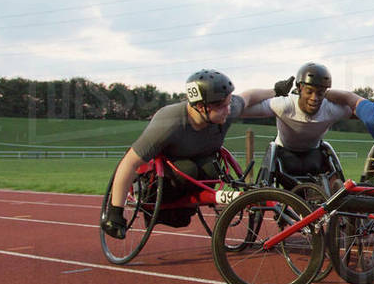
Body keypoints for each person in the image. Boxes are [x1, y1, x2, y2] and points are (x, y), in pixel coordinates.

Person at [101, 69, 273, 239]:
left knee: (212, 170)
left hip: (203, 161)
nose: (228, 110)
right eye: (222, 106)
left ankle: (188, 206)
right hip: (168, 172)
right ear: (201, 107)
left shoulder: (224, 109)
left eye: (229, 103)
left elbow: (248, 97)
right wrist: (115, 212)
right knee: (188, 169)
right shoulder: (168, 123)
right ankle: (166, 207)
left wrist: (277, 90)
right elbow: (129, 163)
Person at [239, 62, 359, 192]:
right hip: (284, 157)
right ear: (300, 88)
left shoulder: (330, 109)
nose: (314, 98)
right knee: (280, 154)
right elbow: (241, 108)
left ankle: (335, 191)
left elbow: (364, 109)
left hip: (314, 157)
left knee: (325, 156)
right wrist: (274, 91)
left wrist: (345, 96)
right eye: (309, 92)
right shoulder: (285, 105)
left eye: (320, 93)